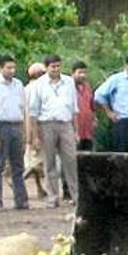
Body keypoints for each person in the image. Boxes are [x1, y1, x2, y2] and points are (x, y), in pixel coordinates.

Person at [27, 54, 79, 208]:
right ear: (47, 67)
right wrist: (34, 136)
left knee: (70, 161)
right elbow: (33, 111)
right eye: (53, 67)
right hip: (46, 124)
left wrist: (76, 130)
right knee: (49, 162)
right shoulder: (39, 84)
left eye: (58, 66)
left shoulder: (68, 82)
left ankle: (75, 196)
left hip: (65, 124)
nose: (56, 69)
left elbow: (74, 107)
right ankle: (53, 197)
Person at [0, 55, 29, 211]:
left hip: (16, 124)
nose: (12, 71)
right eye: (8, 68)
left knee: (18, 165)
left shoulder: (18, 85)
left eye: (13, 68)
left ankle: (21, 200)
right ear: (0, 68)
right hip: (0, 125)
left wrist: (24, 131)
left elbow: (23, 109)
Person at [22, 62, 48, 199]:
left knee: (35, 159)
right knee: (37, 161)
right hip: (37, 129)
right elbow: (32, 113)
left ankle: (39, 189)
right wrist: (33, 134)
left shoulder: (26, 89)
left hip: (30, 129)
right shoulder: (36, 89)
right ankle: (19, 181)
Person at [72, 61, 97, 151]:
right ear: (73, 73)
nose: (82, 75)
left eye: (84, 73)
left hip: (87, 130)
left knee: (88, 158)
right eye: (80, 72)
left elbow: (92, 106)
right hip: (74, 130)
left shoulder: (87, 87)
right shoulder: (68, 87)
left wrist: (94, 120)